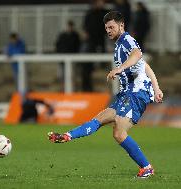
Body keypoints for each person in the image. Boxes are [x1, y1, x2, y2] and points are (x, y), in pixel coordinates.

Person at [48, 11, 163, 178]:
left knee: (118, 132)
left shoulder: (126, 40)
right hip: (126, 94)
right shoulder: (119, 45)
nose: (108, 30)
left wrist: (119, 68)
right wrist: (157, 87)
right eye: (106, 28)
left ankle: (147, 168)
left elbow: (138, 54)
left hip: (136, 93)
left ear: (121, 25)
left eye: (111, 27)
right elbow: (145, 66)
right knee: (98, 119)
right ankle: (67, 136)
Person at [81, 0, 108, 91]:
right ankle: (87, 86)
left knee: (102, 55)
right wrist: (86, 32)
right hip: (92, 40)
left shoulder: (105, 13)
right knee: (87, 61)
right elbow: (85, 25)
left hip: (100, 38)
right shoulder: (90, 13)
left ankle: (102, 65)